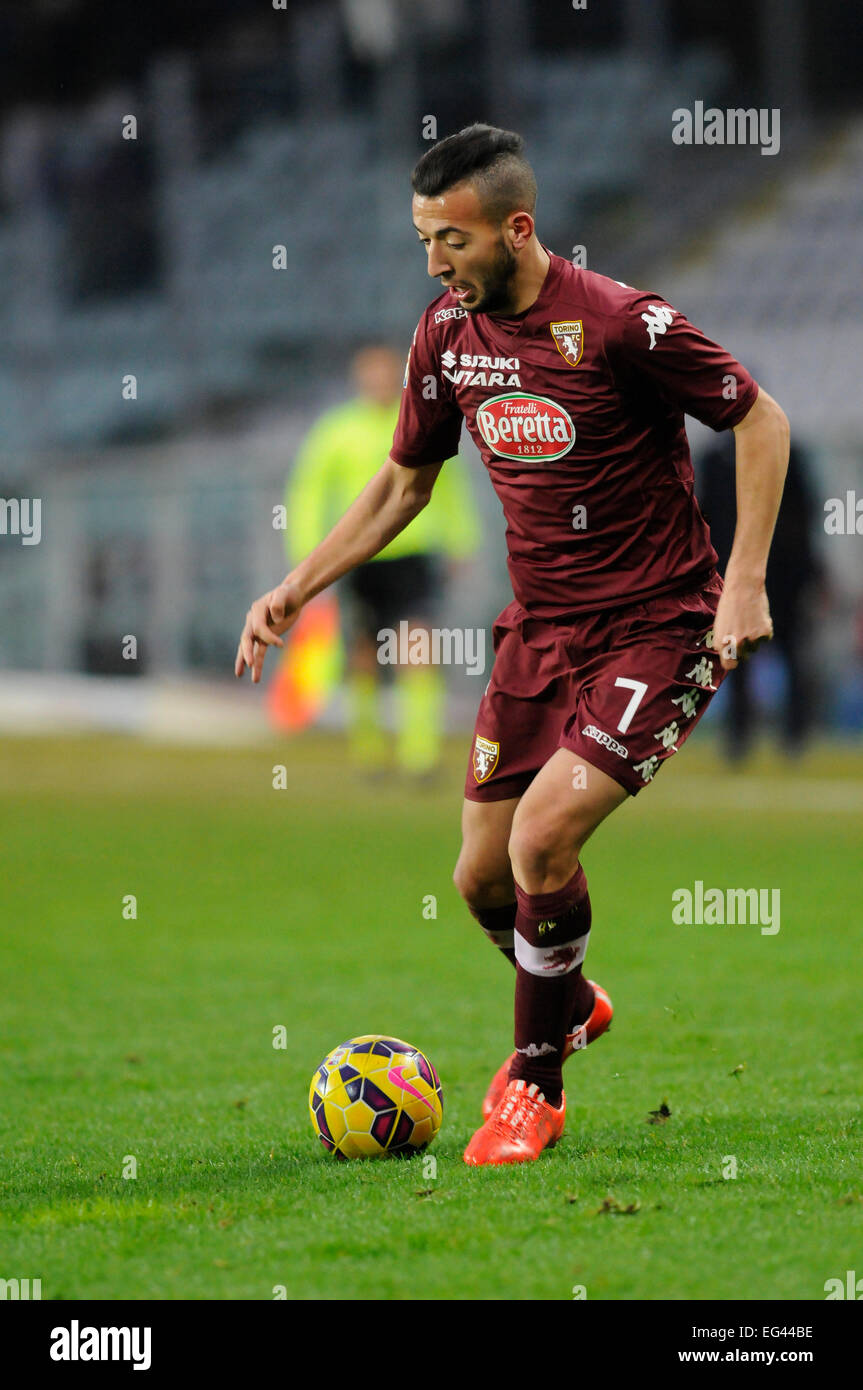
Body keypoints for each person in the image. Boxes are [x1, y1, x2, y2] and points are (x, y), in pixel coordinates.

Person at [235, 124, 789, 1167]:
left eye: (450, 238)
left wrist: (744, 581)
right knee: (481, 877)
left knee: (540, 841)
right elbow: (404, 484)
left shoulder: (621, 322)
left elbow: (758, 421)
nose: (434, 261)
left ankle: (532, 1088)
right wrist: (295, 587)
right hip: (538, 636)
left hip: (658, 627)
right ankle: (568, 999)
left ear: (515, 228)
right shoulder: (444, 336)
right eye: (421, 240)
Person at [285, 343, 481, 777]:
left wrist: (460, 539)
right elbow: (310, 490)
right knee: (363, 654)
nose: (378, 381)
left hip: (413, 552)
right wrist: (307, 550)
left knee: (419, 648)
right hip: (360, 556)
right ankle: (370, 750)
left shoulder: (419, 421)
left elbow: (449, 483)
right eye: (370, 374)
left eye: (386, 372)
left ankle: (420, 754)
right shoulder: (336, 430)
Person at [698, 430, 821, 759]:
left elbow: (804, 512)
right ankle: (738, 736)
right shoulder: (715, 459)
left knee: (791, 652)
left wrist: (807, 571)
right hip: (729, 576)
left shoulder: (786, 452)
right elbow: (702, 520)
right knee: (734, 657)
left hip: (782, 575)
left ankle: (795, 735)